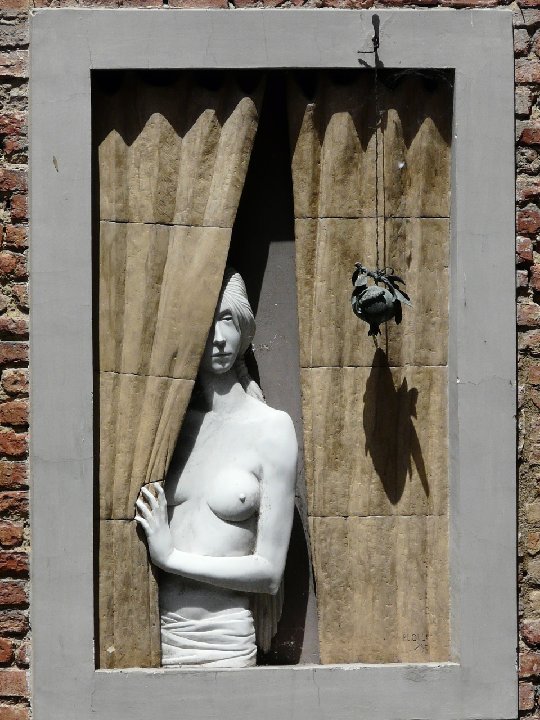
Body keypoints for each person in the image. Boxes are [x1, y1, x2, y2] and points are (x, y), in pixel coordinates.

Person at [135, 268, 297, 668]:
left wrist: (170, 558)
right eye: (207, 322)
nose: (219, 337)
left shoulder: (272, 429)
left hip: (226, 644)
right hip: (157, 639)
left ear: (243, 327)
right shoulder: (167, 432)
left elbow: (269, 573)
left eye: (228, 319)